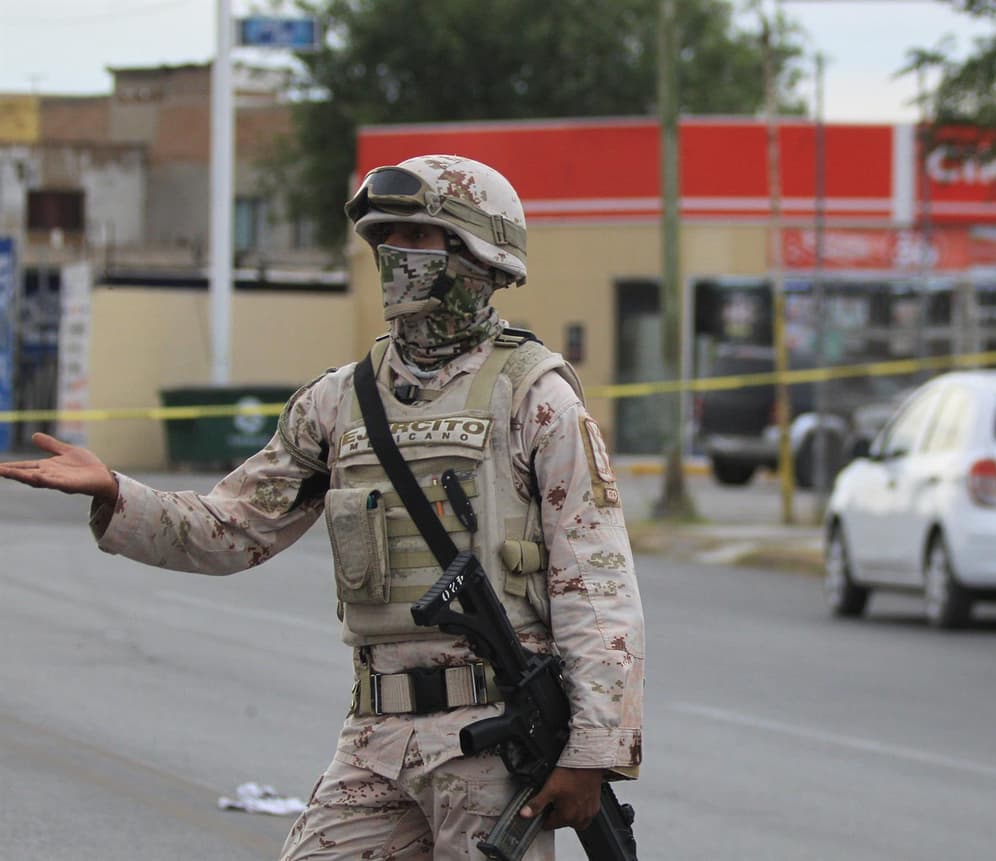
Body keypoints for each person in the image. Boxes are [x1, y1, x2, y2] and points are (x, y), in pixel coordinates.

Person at [0, 154, 645, 860]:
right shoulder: (339, 402)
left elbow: (598, 586)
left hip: (494, 742)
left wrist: (592, 748)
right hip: (377, 738)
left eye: (418, 238)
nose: (395, 256)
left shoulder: (535, 398)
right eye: (385, 239)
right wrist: (118, 494)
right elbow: (232, 526)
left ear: (478, 254)